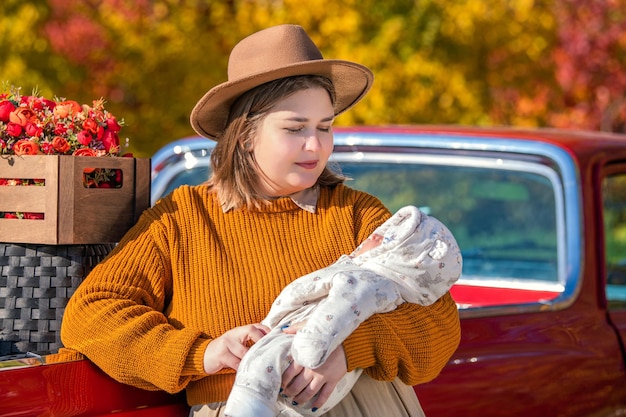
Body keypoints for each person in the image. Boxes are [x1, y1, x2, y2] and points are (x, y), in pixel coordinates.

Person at [60, 24, 461, 417]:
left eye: (324, 127)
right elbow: (90, 315)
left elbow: (439, 323)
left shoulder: (357, 213)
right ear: (246, 135)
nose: (315, 144)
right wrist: (203, 352)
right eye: (295, 128)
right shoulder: (180, 220)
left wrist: (346, 351)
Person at [224, 205, 462, 416]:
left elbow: (441, 329)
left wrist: (349, 345)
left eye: (378, 238)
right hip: (250, 398)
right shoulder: (187, 211)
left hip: (361, 401)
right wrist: (203, 353)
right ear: (244, 150)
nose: (315, 150)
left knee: (266, 362)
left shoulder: (359, 210)